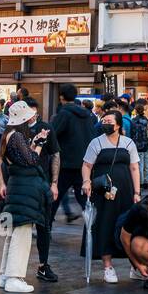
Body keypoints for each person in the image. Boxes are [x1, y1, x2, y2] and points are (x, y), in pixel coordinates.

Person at [0, 102, 53, 294]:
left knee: (13, 232)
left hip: (16, 186)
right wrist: (39, 146)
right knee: (22, 232)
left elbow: (19, 157)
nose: (32, 120)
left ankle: (5, 275)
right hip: (25, 188)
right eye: (29, 118)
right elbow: (31, 161)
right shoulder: (18, 136)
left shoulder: (7, 135)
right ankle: (14, 277)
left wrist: (35, 142)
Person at [81, 109, 140, 283]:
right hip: (103, 192)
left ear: (119, 125)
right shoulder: (96, 142)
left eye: (109, 121)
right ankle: (107, 266)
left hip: (125, 191)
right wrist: (86, 181)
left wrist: (137, 192)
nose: (106, 124)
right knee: (105, 224)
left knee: (128, 226)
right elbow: (86, 165)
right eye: (104, 121)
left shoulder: (128, 143)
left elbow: (135, 168)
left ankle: (135, 265)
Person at [10, 98, 59, 284]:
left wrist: (54, 183)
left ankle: (42, 265)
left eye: (33, 114)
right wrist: (2, 184)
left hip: (40, 182)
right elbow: (8, 158)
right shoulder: (15, 133)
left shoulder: (45, 127)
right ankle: (12, 272)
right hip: (21, 185)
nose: (31, 117)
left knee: (43, 226)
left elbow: (55, 154)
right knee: (18, 229)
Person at [51, 83, 99, 221]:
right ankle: (93, 230)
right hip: (84, 165)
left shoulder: (64, 114)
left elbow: (52, 135)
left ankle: (45, 231)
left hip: (65, 164)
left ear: (61, 97)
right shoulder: (87, 116)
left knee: (54, 198)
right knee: (84, 200)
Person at [130, 102, 148, 189]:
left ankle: (141, 181)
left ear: (135, 110)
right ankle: (146, 181)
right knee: (147, 163)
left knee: (140, 164)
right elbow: (147, 132)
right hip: (146, 143)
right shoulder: (146, 120)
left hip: (137, 144)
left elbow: (133, 133)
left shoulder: (133, 121)